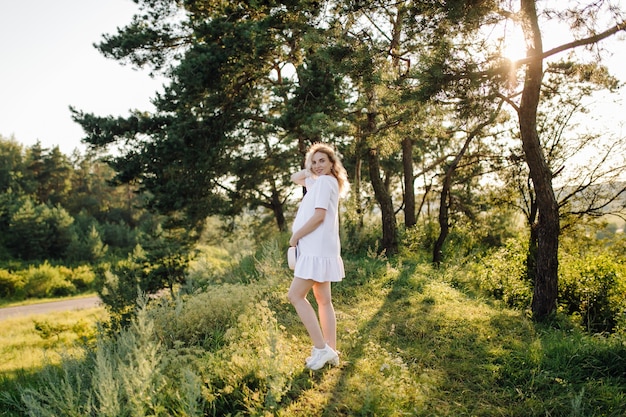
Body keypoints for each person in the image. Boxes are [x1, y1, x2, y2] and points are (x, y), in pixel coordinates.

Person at [288, 142, 350, 371]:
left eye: (322, 160)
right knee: (324, 300)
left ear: (333, 163)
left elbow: (319, 216)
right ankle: (330, 351)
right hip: (324, 249)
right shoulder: (326, 181)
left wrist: (296, 236)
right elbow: (296, 177)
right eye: (314, 162)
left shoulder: (324, 182)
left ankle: (321, 347)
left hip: (315, 249)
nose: (317, 165)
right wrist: (309, 169)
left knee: (295, 296)